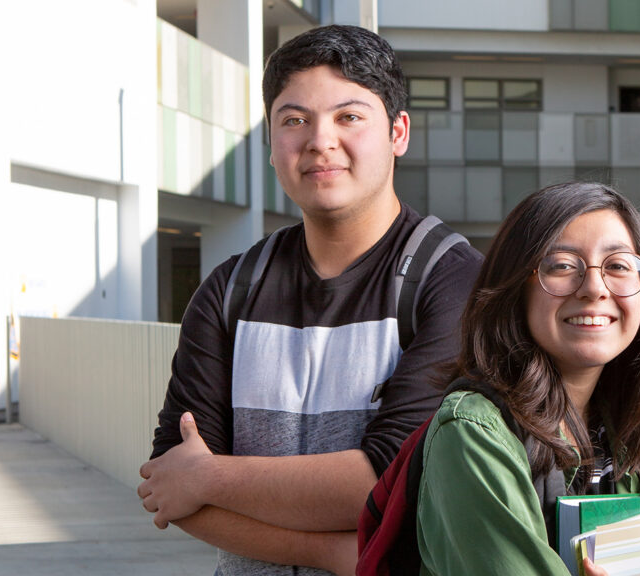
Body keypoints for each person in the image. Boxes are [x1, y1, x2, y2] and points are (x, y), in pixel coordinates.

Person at [136, 25, 482, 576]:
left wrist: (210, 477)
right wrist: (329, 553)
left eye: (349, 117)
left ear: (398, 132)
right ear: (271, 144)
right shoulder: (231, 289)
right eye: (294, 120)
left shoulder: (453, 280)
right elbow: (168, 481)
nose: (320, 140)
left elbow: (387, 482)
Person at [415, 182, 640, 575]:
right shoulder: (474, 433)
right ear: (514, 288)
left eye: (617, 266)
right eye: (562, 265)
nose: (594, 288)